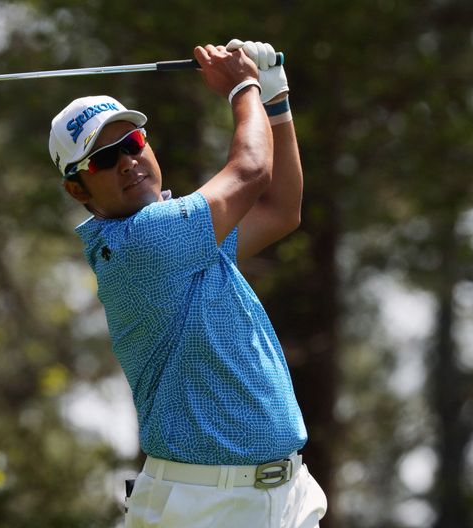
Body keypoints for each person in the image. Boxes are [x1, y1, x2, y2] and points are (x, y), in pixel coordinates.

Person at [48, 39, 327, 527]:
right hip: (206, 507)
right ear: (78, 188)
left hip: (286, 497)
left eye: (132, 143)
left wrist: (275, 99)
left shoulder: (184, 235)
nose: (128, 162)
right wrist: (244, 86)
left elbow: (280, 212)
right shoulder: (143, 242)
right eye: (103, 159)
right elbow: (251, 170)